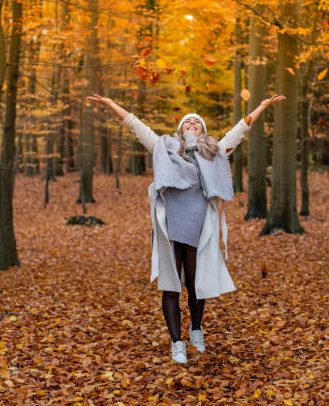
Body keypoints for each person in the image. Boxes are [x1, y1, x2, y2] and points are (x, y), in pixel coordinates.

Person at [87, 93, 285, 363]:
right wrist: (111, 104)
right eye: (187, 121)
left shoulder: (214, 152)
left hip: (198, 229)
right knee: (171, 287)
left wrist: (262, 105)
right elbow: (136, 126)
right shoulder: (163, 147)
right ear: (180, 128)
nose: (192, 123)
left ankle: (195, 328)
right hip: (169, 228)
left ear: (202, 130)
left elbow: (239, 131)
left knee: (196, 285)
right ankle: (176, 343)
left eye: (197, 122)